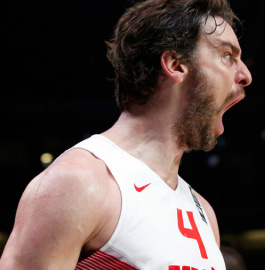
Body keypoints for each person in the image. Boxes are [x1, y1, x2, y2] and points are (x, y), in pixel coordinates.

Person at [0, 0, 252, 269]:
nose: (245, 74)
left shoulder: (204, 214)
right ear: (175, 64)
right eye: (227, 56)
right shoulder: (78, 183)